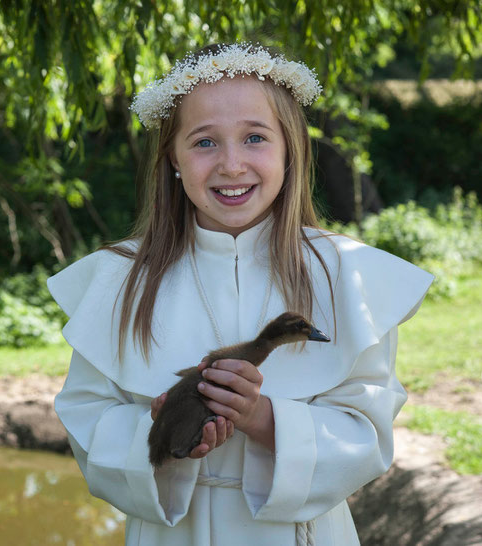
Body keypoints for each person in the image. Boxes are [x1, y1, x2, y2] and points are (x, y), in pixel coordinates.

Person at [47, 42, 433, 545]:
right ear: (173, 159)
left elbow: (366, 432)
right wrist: (164, 433)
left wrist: (266, 420)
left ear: (290, 148)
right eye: (205, 142)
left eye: (255, 137)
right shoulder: (120, 281)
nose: (231, 165)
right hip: (170, 532)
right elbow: (87, 418)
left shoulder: (347, 276)